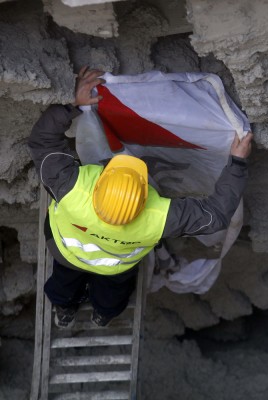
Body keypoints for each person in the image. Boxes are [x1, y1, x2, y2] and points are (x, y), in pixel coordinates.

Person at [28, 67, 253, 328]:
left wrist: (73, 105)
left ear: (101, 184)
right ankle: (104, 313)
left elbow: (42, 141)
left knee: (64, 279)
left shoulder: (70, 187)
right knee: (113, 291)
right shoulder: (158, 217)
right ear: (145, 196)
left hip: (66, 250)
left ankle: (64, 308)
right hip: (117, 266)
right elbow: (215, 216)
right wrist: (236, 163)